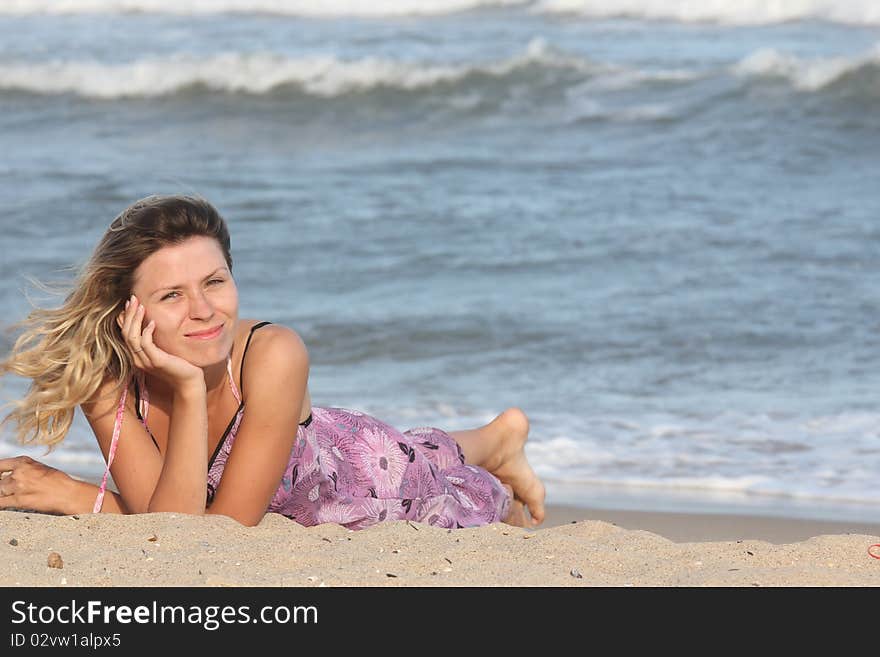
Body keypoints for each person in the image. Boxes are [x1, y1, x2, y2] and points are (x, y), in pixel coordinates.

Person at [0, 195, 546, 529]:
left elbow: (221, 528)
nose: (204, 311)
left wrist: (77, 496)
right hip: (312, 447)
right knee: (425, 446)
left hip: (364, 477)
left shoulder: (274, 353)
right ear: (130, 313)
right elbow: (169, 521)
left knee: (460, 485)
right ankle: (495, 439)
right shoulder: (108, 381)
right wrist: (189, 389)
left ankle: (497, 442)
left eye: (215, 281)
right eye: (172, 296)